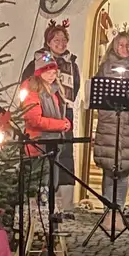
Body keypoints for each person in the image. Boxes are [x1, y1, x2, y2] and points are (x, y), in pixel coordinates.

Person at [91, 29, 129, 234]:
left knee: (123, 169)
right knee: (109, 168)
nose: (124, 48)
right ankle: (108, 212)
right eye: (120, 45)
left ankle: (119, 212)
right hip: (110, 124)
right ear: (114, 47)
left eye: (127, 45)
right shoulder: (104, 67)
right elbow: (98, 96)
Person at [22, 21, 81, 217]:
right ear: (48, 42)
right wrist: (59, 123)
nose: (61, 43)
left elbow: (76, 86)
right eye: (57, 40)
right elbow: (34, 117)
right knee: (42, 171)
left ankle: (59, 204)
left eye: (64, 40)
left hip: (60, 120)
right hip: (42, 134)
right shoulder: (35, 79)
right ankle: (44, 207)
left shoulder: (69, 67)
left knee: (61, 162)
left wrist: (64, 119)